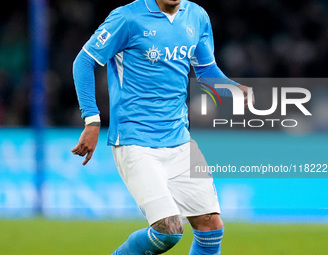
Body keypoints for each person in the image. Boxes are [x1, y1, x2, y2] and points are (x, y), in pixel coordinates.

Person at [72, 0, 251, 254]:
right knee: (169, 231)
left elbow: (206, 69)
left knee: (211, 227)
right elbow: (83, 62)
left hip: (179, 140)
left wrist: (233, 87)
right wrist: (92, 120)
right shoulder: (127, 18)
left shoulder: (197, 16)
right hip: (136, 142)